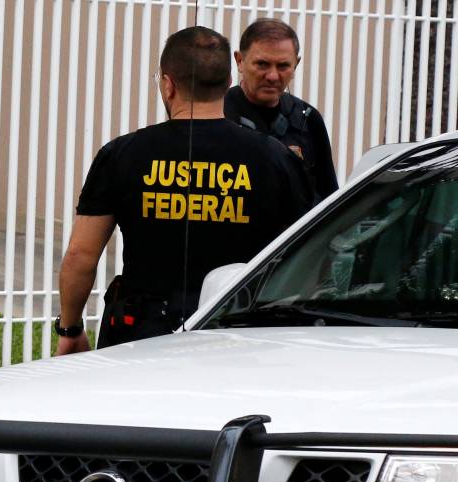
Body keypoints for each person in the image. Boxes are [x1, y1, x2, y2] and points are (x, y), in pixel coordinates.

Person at [55, 26, 313, 355]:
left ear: (168, 84)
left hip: (138, 332)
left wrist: (70, 328)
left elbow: (80, 256)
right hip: (236, 332)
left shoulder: (122, 154)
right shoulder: (276, 158)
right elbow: (304, 257)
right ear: (228, 83)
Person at [224, 18, 338, 202]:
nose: (272, 76)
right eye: (262, 64)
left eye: (283, 66)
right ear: (239, 61)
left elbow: (328, 199)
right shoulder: (217, 115)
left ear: (296, 65)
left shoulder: (308, 120)